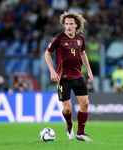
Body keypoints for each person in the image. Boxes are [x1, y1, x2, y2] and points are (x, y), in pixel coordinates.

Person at [44, 11, 93, 141]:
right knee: (67, 108)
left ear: (76, 25)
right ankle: (69, 125)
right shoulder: (58, 38)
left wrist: (89, 70)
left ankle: (80, 133)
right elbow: (47, 54)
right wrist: (52, 71)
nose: (69, 26)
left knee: (85, 103)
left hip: (78, 76)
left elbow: (83, 54)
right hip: (63, 78)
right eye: (66, 24)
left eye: (71, 24)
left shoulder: (80, 38)